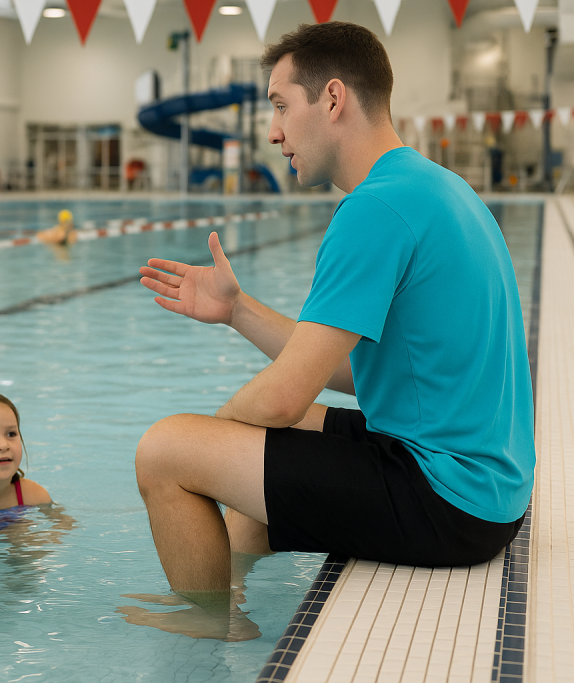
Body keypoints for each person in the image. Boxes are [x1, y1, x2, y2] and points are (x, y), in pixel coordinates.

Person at [135, 21, 534, 602]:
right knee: (269, 434)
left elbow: (282, 397)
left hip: (447, 500)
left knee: (165, 450)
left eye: (281, 105)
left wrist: (214, 433)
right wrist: (237, 310)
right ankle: (231, 587)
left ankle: (204, 625)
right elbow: (355, 370)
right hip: (491, 491)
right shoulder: (436, 188)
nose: (273, 131)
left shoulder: (374, 210)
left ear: (332, 98)